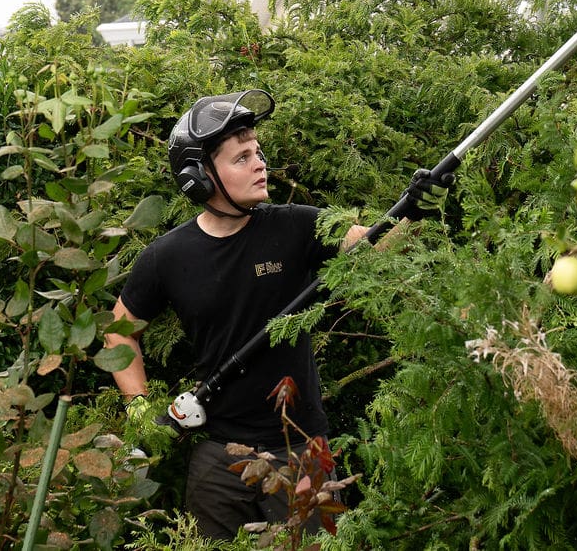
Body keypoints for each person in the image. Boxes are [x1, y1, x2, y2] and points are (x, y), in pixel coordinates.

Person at [104, 89, 450, 540]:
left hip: (304, 446)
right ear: (200, 179)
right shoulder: (168, 257)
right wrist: (139, 407)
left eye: (259, 153)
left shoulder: (295, 226)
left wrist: (415, 210)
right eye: (242, 157)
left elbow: (372, 247)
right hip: (217, 456)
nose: (260, 163)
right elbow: (119, 331)